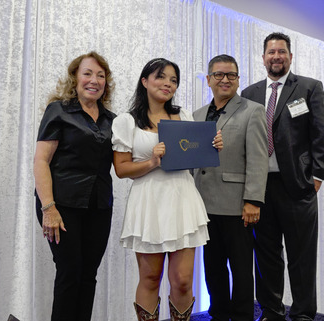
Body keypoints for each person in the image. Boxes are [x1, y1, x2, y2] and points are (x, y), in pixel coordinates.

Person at [111, 58, 223, 321]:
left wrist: (211, 146)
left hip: (182, 199)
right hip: (149, 201)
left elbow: (194, 155)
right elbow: (121, 169)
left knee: (183, 280)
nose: (168, 84)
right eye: (161, 77)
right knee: (150, 277)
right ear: (145, 81)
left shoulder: (183, 115)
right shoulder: (127, 121)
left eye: (173, 80)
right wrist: (151, 162)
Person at [241, 32, 324, 321]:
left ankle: (304, 314)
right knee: (266, 256)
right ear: (263, 57)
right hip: (260, 189)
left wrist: (316, 176)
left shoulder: (309, 88)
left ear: (290, 57)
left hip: (299, 187)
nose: (277, 57)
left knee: (302, 257)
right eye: (271, 52)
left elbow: (323, 133)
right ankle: (271, 311)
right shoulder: (249, 94)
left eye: (282, 52)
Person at [33, 51, 116, 321]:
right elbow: (41, 160)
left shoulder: (111, 120)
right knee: (70, 272)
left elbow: (126, 161)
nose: (94, 80)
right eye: (88, 73)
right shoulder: (58, 110)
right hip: (60, 205)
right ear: (75, 78)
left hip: (99, 205)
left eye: (101, 75)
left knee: (88, 274)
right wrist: (48, 208)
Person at [194, 54, 268, 321]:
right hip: (203, 205)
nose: (225, 79)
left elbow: (259, 159)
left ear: (238, 80)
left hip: (238, 206)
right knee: (212, 267)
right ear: (208, 80)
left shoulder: (252, 110)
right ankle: (219, 314)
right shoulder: (197, 115)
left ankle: (241, 316)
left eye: (231, 75)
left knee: (240, 269)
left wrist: (253, 201)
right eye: (219, 75)